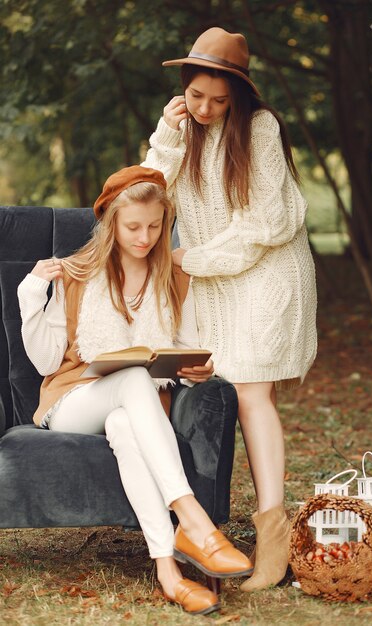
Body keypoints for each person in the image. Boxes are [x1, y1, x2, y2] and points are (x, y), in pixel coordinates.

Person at [17, 165, 253, 615]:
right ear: (110, 222)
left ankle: (168, 572)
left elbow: (184, 350)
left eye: (154, 225)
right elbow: (48, 363)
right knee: (129, 377)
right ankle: (195, 522)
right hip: (73, 401)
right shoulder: (77, 275)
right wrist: (33, 292)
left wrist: (195, 371)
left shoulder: (174, 277)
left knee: (126, 423)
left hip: (138, 408)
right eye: (132, 227)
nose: (144, 237)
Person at [142, 27, 317, 591]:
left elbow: (268, 222)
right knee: (215, 387)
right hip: (217, 277)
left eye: (220, 100)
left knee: (251, 392)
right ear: (183, 89)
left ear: (240, 93)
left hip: (266, 270)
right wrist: (168, 136)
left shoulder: (259, 128)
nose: (208, 109)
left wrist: (194, 258)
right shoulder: (182, 129)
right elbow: (146, 191)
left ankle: (273, 535)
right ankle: (223, 525)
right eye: (196, 97)